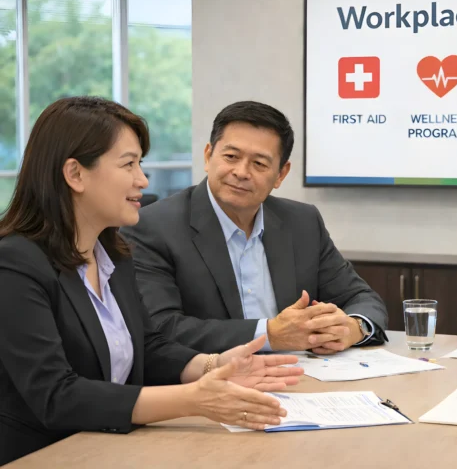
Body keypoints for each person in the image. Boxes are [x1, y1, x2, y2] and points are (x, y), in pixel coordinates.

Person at [0, 97, 304, 466]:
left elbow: (147, 345)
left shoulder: (113, 253)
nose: (142, 180)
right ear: (75, 174)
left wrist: (215, 365)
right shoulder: (15, 263)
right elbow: (55, 395)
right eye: (128, 164)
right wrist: (193, 399)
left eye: (140, 164)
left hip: (115, 448)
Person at [120, 100, 388, 355]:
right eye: (231, 156)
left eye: (259, 163)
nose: (241, 172)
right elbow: (161, 328)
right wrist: (269, 334)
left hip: (303, 376)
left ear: (281, 174)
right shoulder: (153, 227)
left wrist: (353, 328)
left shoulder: (302, 222)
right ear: (208, 156)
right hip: (210, 378)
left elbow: (361, 297)